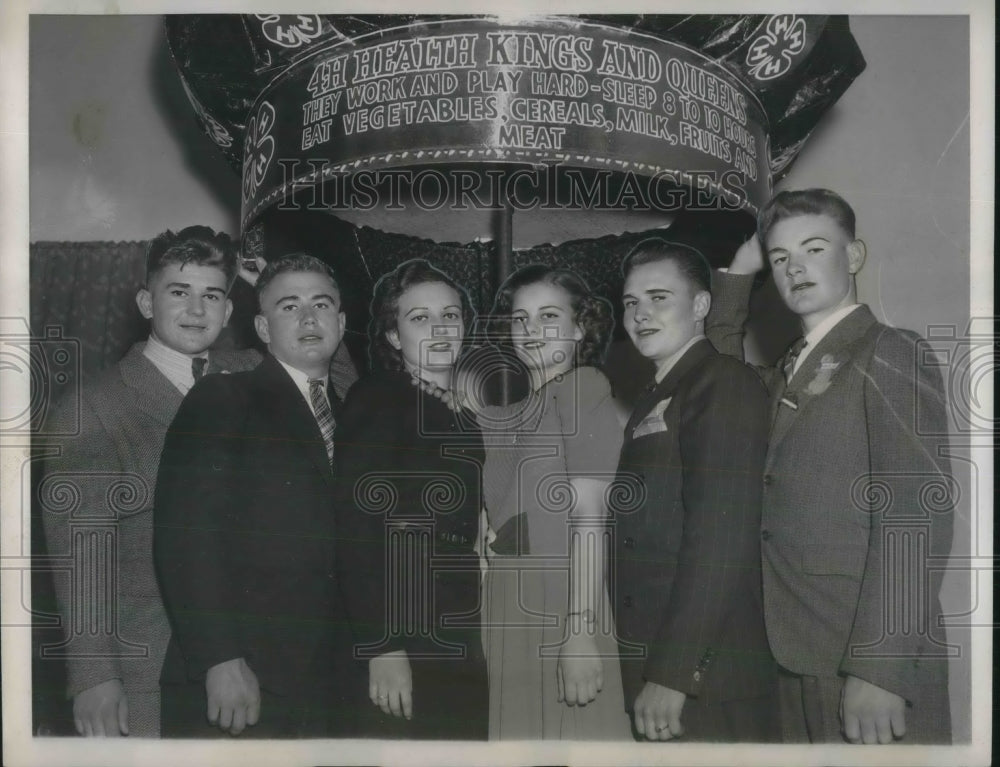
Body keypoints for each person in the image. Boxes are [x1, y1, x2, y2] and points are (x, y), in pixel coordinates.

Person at [710, 188, 954, 744]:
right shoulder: (783, 375)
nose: (795, 267)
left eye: (814, 248)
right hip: (790, 651)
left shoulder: (890, 351)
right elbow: (719, 372)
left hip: (860, 655)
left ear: (855, 256)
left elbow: (915, 517)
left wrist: (879, 666)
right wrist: (740, 272)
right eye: (780, 258)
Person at [40, 226, 261, 737]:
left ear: (230, 311)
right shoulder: (95, 404)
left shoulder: (252, 375)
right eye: (178, 292)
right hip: (151, 662)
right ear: (145, 302)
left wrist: (269, 284)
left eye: (212, 295)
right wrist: (94, 673)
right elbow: (84, 547)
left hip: (254, 656)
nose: (196, 309)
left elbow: (335, 387)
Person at [153, 253, 358, 738]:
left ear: (342, 321)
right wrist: (220, 658)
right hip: (243, 678)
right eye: (289, 306)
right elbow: (186, 536)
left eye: (322, 304)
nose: (309, 318)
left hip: (336, 682)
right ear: (262, 328)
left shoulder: (360, 415)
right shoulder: (222, 398)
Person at [611, 239, 778, 743]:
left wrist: (673, 672)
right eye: (630, 303)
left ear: (701, 305)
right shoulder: (665, 389)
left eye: (659, 297)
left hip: (709, 678)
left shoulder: (720, 380)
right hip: (667, 667)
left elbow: (720, 538)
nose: (640, 313)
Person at [334, 259, 488, 740]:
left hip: (459, 616)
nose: (441, 328)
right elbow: (357, 525)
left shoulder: (462, 412)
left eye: (451, 315)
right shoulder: (379, 396)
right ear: (394, 337)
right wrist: (383, 645)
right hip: (405, 622)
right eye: (419, 318)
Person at [478, 265, 631, 740]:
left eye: (548, 316)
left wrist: (581, 631)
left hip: (562, 599)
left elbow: (590, 517)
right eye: (520, 319)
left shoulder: (583, 387)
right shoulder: (505, 412)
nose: (530, 331)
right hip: (507, 602)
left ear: (580, 327)